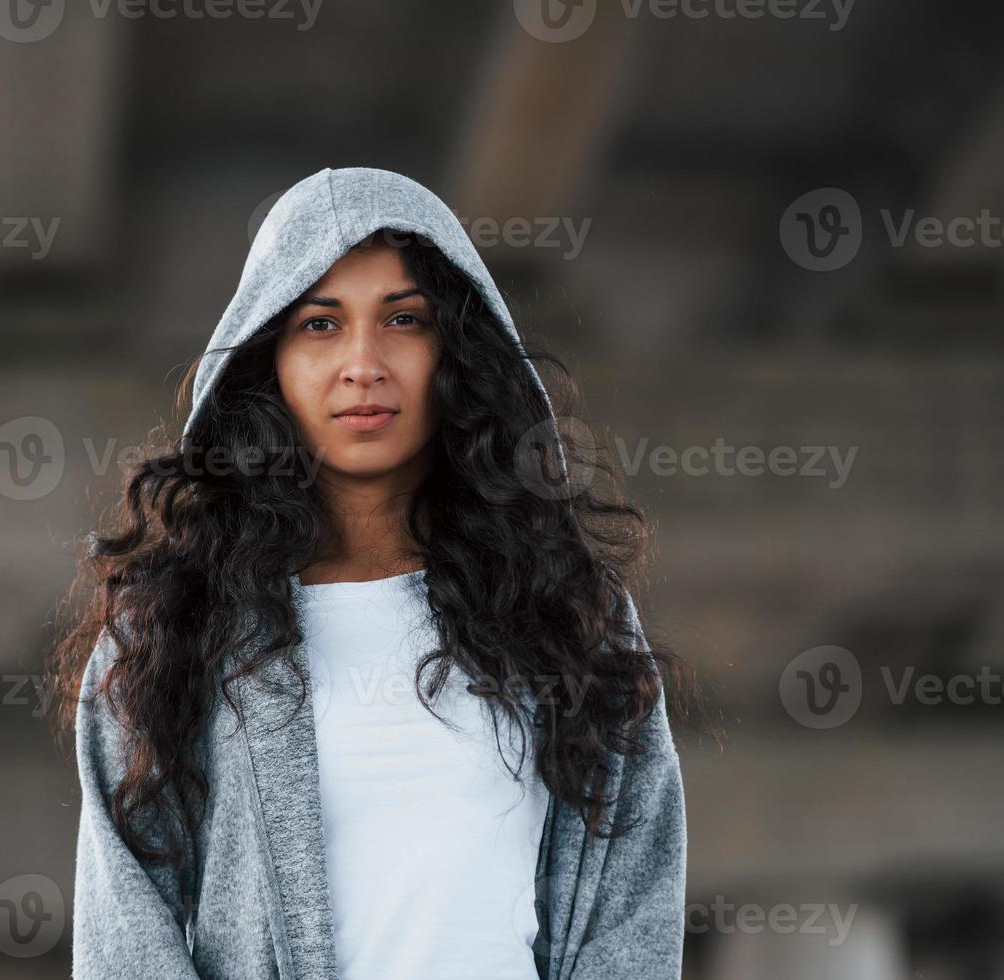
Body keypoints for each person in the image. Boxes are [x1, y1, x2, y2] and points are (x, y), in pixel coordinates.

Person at [50, 166, 688, 979]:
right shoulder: (174, 618)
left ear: (454, 348)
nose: (363, 363)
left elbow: (633, 888)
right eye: (320, 324)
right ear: (266, 358)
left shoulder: (563, 607)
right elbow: (125, 923)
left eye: (403, 319)